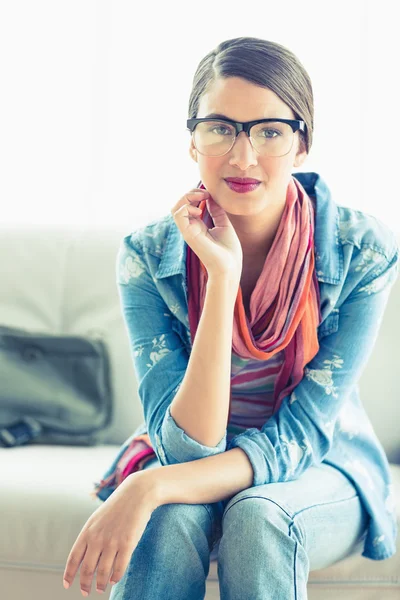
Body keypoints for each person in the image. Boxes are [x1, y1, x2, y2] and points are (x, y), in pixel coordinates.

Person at [63, 37, 399, 600]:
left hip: (319, 466)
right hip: (197, 457)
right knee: (167, 521)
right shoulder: (148, 257)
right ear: (192, 142)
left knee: (257, 515)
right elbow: (190, 450)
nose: (242, 157)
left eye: (269, 131)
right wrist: (222, 279)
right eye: (220, 128)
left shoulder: (361, 251)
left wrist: (149, 485)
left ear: (302, 145)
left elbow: (299, 441)